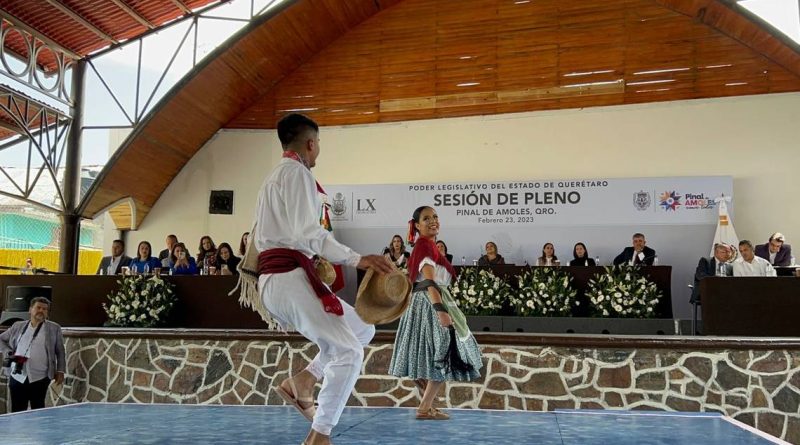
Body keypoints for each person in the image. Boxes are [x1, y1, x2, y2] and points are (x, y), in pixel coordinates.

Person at [251, 113, 393, 445]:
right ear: (310, 144)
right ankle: (320, 436)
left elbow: (290, 235)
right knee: (349, 353)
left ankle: (304, 380)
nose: (318, 152)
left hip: (282, 279)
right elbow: (307, 232)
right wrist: (357, 259)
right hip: (287, 277)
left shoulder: (273, 178)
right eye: (318, 146)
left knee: (362, 329)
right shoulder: (296, 173)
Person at [390, 206, 482, 420]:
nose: (433, 221)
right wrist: (441, 311)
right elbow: (429, 280)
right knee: (444, 353)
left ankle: (426, 405)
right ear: (417, 225)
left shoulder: (427, 246)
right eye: (426, 218)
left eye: (435, 217)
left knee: (436, 354)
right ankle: (424, 407)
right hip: (430, 303)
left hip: (426, 302)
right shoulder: (424, 246)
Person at [0, 297, 65, 412]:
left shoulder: (54, 328)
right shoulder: (18, 326)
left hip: (40, 376)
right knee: (17, 411)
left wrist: (60, 371)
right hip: (18, 376)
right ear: (30, 310)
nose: (41, 311)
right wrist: (9, 352)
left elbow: (60, 351)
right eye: (38, 307)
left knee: (38, 411)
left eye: (45, 309)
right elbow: (1, 339)